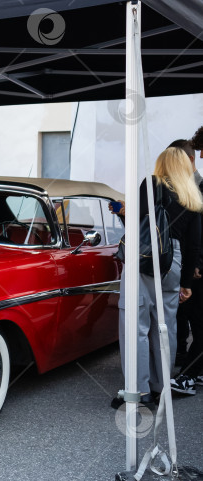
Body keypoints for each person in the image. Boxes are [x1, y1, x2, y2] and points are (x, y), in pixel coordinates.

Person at [111, 146, 203, 409]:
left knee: (136, 323)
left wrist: (121, 212)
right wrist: (186, 283)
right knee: (166, 326)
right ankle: (161, 388)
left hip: (146, 256)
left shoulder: (152, 184)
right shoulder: (192, 195)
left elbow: (137, 225)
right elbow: (194, 245)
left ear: (162, 164)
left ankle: (139, 392)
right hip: (173, 262)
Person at [172, 133, 203, 394]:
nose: (201, 157)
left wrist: (197, 264)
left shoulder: (198, 186)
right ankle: (193, 371)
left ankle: (189, 375)